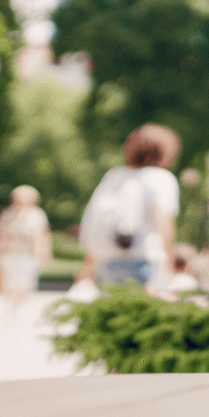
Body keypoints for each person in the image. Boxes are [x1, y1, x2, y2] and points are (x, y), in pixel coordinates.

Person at [78, 124, 181, 292]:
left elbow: (94, 218)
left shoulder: (114, 175)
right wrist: (169, 263)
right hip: (143, 258)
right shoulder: (161, 179)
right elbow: (162, 221)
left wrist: (88, 263)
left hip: (106, 257)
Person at [0, 185, 52, 310]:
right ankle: (12, 306)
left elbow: (42, 235)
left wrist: (44, 253)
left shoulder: (37, 215)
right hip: (9, 252)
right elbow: (0, 234)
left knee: (26, 283)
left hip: (29, 254)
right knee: (8, 282)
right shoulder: (8, 214)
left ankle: (18, 306)